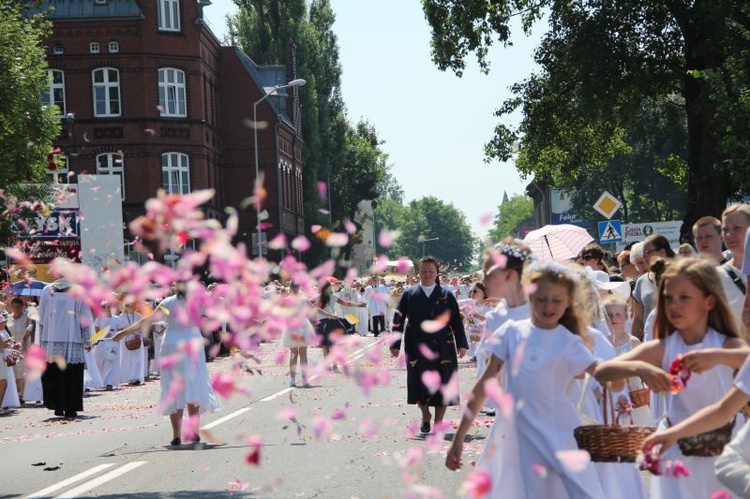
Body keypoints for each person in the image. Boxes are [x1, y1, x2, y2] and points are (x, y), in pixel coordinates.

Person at [446, 260, 606, 498]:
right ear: (530, 297)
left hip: (561, 432)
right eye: (541, 298)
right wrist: (459, 437)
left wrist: (640, 370)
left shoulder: (569, 340)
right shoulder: (511, 332)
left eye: (556, 300)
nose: (548, 306)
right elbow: (483, 386)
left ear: (569, 302)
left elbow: (600, 371)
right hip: (519, 431)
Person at [595, 257, 746, 499]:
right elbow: (603, 372)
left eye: (684, 298)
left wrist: (718, 356)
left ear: (709, 301)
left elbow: (745, 357)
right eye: (668, 298)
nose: (674, 305)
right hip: (677, 447)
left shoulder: (725, 343)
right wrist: (639, 368)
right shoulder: (662, 348)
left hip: (724, 447)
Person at [122, 282, 221, 447]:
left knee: (173, 387)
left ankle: (176, 435)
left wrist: (123, 332)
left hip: (172, 343)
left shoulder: (168, 302)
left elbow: (149, 320)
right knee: (193, 385)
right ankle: (194, 431)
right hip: (191, 343)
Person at [390, 256, 468, 435]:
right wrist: (395, 344)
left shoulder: (447, 295)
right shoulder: (409, 294)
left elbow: (456, 320)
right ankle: (426, 415)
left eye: (431, 271)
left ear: (437, 273)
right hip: (416, 343)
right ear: (418, 273)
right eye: (424, 271)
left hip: (443, 345)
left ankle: (439, 423)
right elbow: (398, 319)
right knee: (418, 383)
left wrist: (462, 344)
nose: (427, 274)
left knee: (443, 383)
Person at [38, 278, 94, 419]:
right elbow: (85, 318)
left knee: (54, 374)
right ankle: (70, 408)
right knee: (71, 375)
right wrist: (88, 340)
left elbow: (42, 318)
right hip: (71, 338)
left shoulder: (47, 290)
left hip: (51, 339)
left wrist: (41, 341)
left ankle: (58, 405)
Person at [314, 278, 366, 372]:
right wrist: (358, 305)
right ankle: (334, 366)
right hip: (332, 322)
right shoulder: (333, 296)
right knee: (332, 346)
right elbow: (347, 303)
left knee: (325, 346)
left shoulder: (316, 297)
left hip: (321, 323)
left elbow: (308, 305)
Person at [631, 234, 676, 339]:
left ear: (662, 253)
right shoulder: (641, 281)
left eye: (647, 252)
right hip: (651, 341)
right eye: (643, 252)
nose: (643, 256)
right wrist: (634, 345)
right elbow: (637, 319)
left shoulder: (680, 277)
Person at [717, 204, 750, 335]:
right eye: (725, 230)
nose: (729, 235)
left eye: (737, 228)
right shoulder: (716, 277)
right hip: (736, 353)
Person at [280, 282, 315, 387]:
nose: (295, 288)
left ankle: (304, 379)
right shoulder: (288, 300)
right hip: (293, 327)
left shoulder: (303, 299)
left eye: (297, 286)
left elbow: (313, 309)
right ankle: (293, 379)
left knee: (303, 353)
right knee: (294, 353)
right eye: (293, 287)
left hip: (302, 326)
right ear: (290, 288)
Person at [5, 297, 34, 404]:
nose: (16, 308)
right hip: (12, 349)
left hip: (24, 348)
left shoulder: (27, 318)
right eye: (14, 306)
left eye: (18, 306)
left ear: (22, 307)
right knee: (15, 372)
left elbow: (31, 329)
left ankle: (24, 394)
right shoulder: (8, 318)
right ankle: (20, 394)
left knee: (23, 372)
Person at [92, 302, 121, 390]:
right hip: (102, 344)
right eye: (107, 307)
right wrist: (104, 334)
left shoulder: (117, 319)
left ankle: (109, 383)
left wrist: (112, 334)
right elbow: (96, 331)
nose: (109, 309)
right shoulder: (99, 319)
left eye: (110, 307)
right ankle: (101, 382)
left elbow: (120, 331)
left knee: (111, 362)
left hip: (113, 343)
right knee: (100, 363)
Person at [118, 301, 146, 386]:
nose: (131, 307)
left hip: (136, 338)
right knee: (125, 359)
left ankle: (136, 378)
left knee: (136, 359)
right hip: (125, 339)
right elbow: (120, 329)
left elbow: (143, 327)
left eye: (133, 305)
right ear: (125, 307)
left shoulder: (138, 316)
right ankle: (127, 377)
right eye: (128, 306)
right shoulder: (121, 317)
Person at [461, 282, 491, 361]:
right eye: (471, 291)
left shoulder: (489, 305)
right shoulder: (468, 304)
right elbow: (452, 305)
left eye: (475, 291)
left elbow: (493, 320)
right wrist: (462, 313)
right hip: (474, 336)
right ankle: (476, 354)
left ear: (484, 293)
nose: (472, 293)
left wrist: (477, 316)